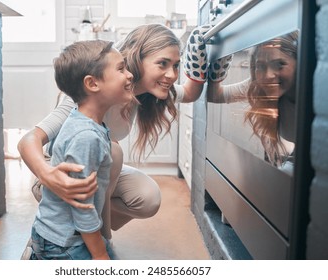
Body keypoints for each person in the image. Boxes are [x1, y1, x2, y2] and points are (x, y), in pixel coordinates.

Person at [18, 23, 210, 241]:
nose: (172, 75)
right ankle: (91, 238)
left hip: (95, 170)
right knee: (113, 150)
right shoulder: (88, 93)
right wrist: (48, 175)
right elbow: (29, 139)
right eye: (163, 64)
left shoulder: (141, 88)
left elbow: (190, 93)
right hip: (58, 174)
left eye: (176, 65)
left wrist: (201, 60)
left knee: (148, 198)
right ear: (137, 60)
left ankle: (85, 228)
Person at [30, 40, 134, 260]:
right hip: (66, 243)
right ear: (93, 83)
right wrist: (100, 255)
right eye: (121, 68)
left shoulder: (84, 121)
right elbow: (82, 206)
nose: (129, 75)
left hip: (58, 234)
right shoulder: (86, 137)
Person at [207, 31, 298, 168]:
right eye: (260, 66)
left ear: (300, 62)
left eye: (279, 64)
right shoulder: (260, 83)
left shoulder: (318, 95)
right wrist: (221, 57)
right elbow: (214, 95)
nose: (268, 75)